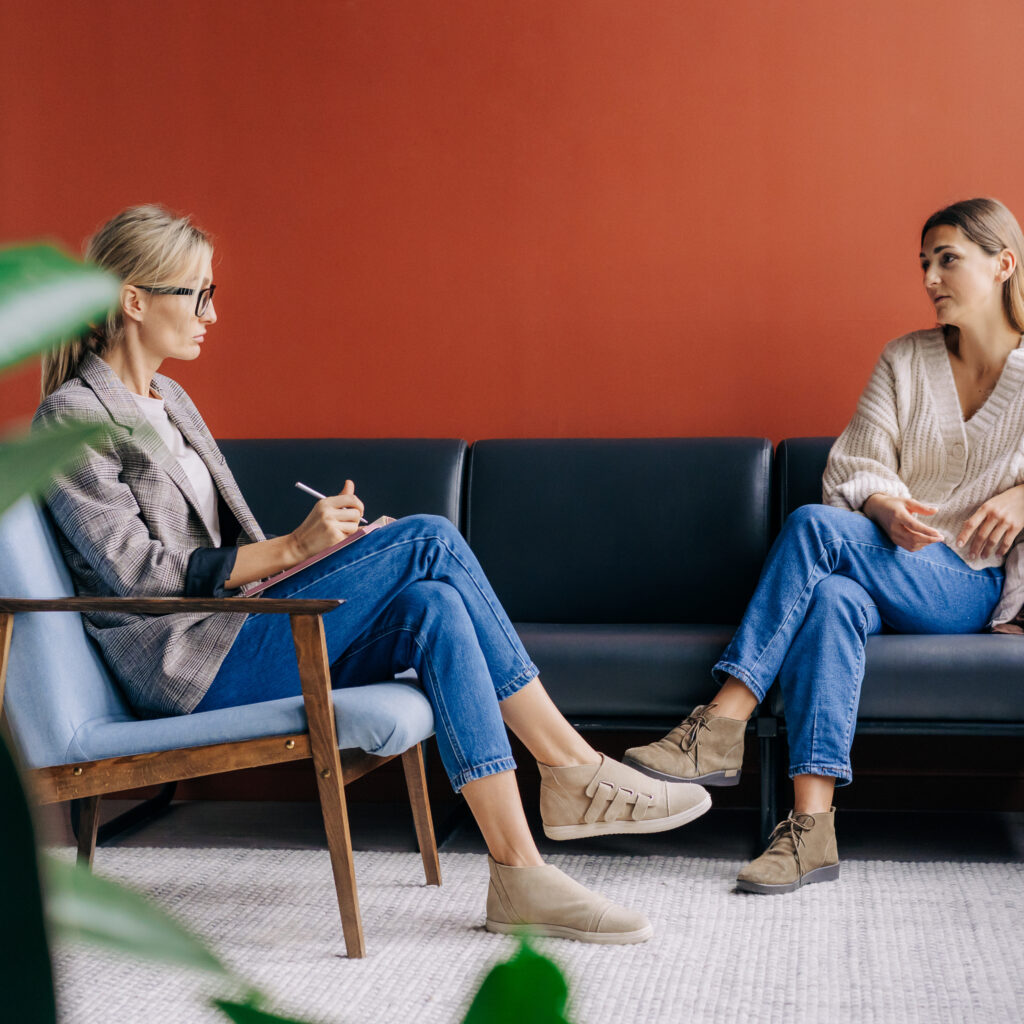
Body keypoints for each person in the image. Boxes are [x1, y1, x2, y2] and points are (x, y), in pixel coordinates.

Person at [35, 205, 711, 944]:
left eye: (211, 293)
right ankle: (571, 764)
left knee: (433, 606)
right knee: (429, 539)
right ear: (134, 300)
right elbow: (142, 576)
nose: (212, 314)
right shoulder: (71, 419)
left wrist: (325, 553)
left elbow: (228, 556)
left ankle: (520, 875)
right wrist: (292, 549)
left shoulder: (172, 402)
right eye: (196, 294)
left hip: (235, 629)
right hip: (183, 665)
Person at [626, 197, 1024, 894]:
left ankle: (722, 721)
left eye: (947, 259)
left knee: (813, 525)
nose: (930, 278)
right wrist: (884, 507)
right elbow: (856, 463)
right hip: (886, 560)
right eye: (924, 263)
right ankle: (811, 830)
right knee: (833, 599)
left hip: (967, 580)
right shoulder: (905, 359)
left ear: (1004, 264)